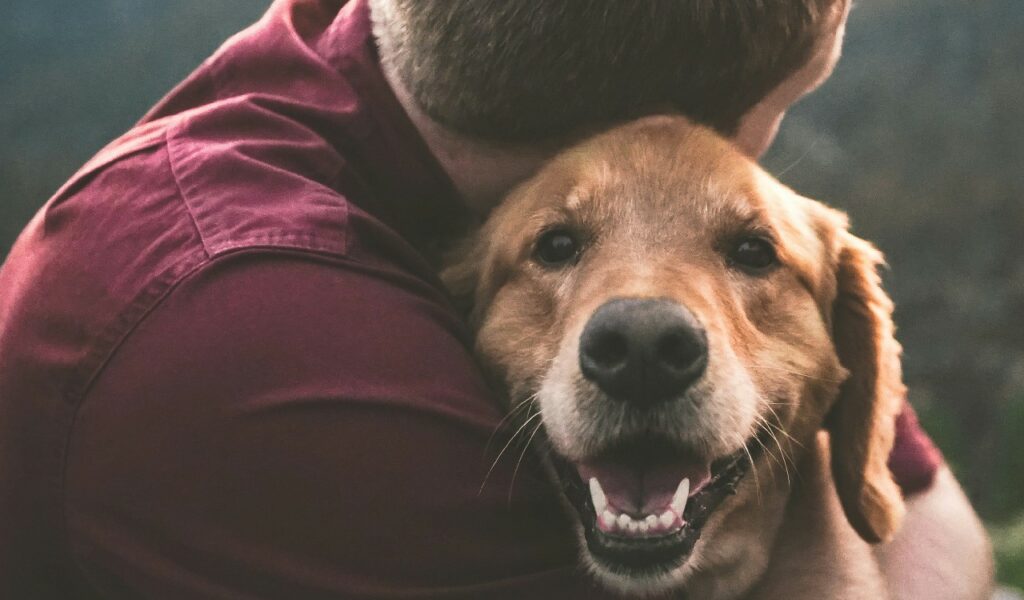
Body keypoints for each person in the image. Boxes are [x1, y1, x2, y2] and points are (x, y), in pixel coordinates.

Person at [0, 0, 992, 597]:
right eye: (781, 111)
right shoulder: (262, 342)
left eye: (740, 243)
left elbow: (929, 509)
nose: (644, 312)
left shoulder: (430, 48)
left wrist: (827, 453)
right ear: (646, 119)